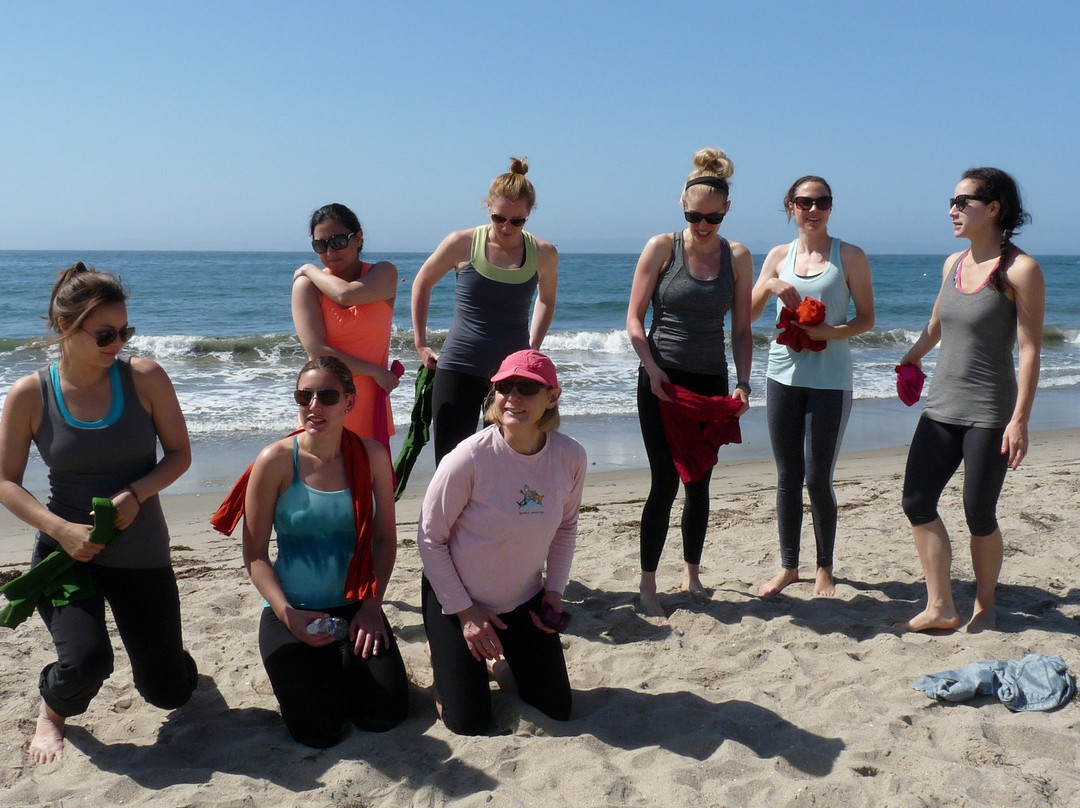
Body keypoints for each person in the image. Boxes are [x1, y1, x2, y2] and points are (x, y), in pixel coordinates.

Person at [0, 263, 197, 764]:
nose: (118, 343)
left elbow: (179, 455)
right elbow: (5, 482)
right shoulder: (30, 394)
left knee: (169, 691)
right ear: (66, 327)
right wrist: (60, 530)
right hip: (67, 556)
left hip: (141, 553)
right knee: (87, 664)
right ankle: (52, 711)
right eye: (106, 333)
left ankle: (171, 662)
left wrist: (137, 493)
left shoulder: (145, 378)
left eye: (124, 331)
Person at [230, 356, 408, 747]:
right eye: (304, 395)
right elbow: (255, 555)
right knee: (319, 731)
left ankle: (343, 668)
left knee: (385, 715)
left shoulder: (373, 456)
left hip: (357, 604)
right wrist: (287, 614)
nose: (314, 406)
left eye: (327, 396)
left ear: (349, 401)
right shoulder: (275, 461)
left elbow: (385, 539)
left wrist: (372, 607)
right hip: (291, 610)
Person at [896, 168, 1045, 634]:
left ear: (994, 207)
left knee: (978, 512)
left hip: (989, 412)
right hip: (941, 406)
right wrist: (911, 357)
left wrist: (1019, 419)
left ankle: (985, 603)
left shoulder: (1020, 269)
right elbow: (938, 323)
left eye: (963, 202)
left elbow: (1029, 348)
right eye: (953, 201)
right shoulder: (952, 264)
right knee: (916, 501)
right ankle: (940, 604)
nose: (952, 210)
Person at [417, 349, 585, 735]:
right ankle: (443, 655)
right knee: (468, 722)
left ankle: (496, 663)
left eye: (527, 388)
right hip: (456, 602)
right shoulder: (469, 457)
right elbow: (429, 538)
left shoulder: (570, 456)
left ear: (553, 397)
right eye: (504, 387)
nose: (514, 397)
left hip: (523, 602)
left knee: (557, 710)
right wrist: (465, 612)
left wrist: (554, 594)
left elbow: (566, 527)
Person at [626, 147, 754, 618]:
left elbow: (741, 330)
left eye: (711, 218)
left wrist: (742, 383)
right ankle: (647, 584)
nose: (702, 225)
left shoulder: (737, 257)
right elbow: (635, 320)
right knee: (664, 481)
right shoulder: (662, 247)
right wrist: (653, 369)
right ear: (682, 206)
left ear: (725, 211)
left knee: (699, 481)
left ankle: (692, 571)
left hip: (709, 381)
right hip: (660, 379)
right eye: (693, 215)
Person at [751, 176, 875, 599]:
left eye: (821, 201)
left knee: (818, 478)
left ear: (830, 207)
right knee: (788, 475)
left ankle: (825, 568)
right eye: (804, 202)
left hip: (830, 381)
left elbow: (866, 319)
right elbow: (748, 315)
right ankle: (789, 567)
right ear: (791, 206)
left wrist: (826, 331)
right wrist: (768, 285)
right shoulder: (778, 255)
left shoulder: (850, 256)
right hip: (781, 376)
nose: (813, 209)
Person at [411, 157, 559, 464]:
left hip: (511, 376)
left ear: (529, 214)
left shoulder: (544, 253)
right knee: (452, 463)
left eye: (517, 221)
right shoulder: (462, 243)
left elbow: (546, 299)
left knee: (503, 461)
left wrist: (532, 349)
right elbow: (422, 283)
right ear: (487, 207)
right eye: (499, 217)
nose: (506, 227)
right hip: (458, 367)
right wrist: (421, 343)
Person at [292, 203, 399, 444]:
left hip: (371, 403)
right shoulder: (306, 287)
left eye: (338, 241)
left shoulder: (384, 273)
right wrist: (374, 371)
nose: (329, 252)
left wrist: (308, 268)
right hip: (324, 404)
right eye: (320, 245)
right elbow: (317, 352)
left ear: (358, 238)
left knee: (371, 478)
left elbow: (347, 295)